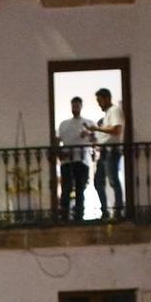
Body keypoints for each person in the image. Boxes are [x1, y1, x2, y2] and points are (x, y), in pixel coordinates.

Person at [56, 96, 94, 221]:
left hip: (82, 160)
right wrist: (59, 153)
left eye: (77, 106)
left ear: (81, 107)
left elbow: (96, 140)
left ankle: (79, 215)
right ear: (71, 107)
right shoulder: (64, 124)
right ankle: (64, 215)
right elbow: (57, 140)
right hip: (67, 160)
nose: (75, 108)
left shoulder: (88, 123)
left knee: (80, 188)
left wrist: (88, 134)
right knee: (66, 188)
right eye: (73, 106)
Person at [90, 87, 126, 219]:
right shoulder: (107, 114)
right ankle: (104, 210)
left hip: (112, 151)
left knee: (113, 181)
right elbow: (108, 133)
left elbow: (116, 130)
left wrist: (97, 128)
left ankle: (117, 210)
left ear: (107, 99)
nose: (99, 104)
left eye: (100, 101)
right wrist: (95, 137)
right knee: (98, 181)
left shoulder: (115, 111)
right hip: (105, 152)